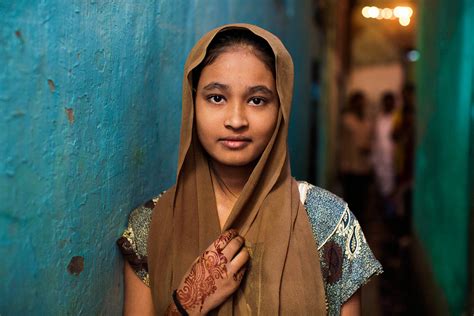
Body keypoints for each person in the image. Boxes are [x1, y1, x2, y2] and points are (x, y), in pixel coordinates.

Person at [117, 24, 382, 315]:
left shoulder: (328, 222)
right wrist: (188, 303)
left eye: (257, 100)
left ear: (280, 109)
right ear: (193, 104)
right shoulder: (151, 226)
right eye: (216, 97)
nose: (236, 119)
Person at [339, 91, 373, 224]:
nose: (362, 105)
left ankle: (359, 227)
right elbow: (345, 143)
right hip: (350, 167)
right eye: (359, 102)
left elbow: (368, 141)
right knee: (351, 201)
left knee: (362, 201)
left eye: (363, 103)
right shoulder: (347, 120)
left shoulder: (365, 121)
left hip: (363, 168)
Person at [372, 92, 396, 218]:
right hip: (381, 162)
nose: (388, 105)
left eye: (390, 102)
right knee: (383, 192)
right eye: (386, 102)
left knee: (393, 194)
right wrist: (375, 161)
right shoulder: (379, 119)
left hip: (395, 162)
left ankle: (392, 220)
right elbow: (376, 142)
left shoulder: (397, 119)